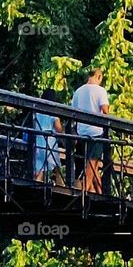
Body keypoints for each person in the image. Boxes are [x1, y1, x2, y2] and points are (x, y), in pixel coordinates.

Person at [72, 67, 110, 195]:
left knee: (92, 165)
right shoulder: (100, 91)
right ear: (98, 76)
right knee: (92, 162)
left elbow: (73, 113)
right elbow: (105, 111)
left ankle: (100, 192)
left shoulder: (78, 91)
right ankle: (85, 192)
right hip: (96, 132)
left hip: (81, 131)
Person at [33, 89, 63, 184]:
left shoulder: (36, 112)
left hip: (38, 142)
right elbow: (59, 129)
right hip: (49, 144)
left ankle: (36, 189)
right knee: (56, 168)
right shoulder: (53, 113)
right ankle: (61, 188)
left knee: (40, 169)